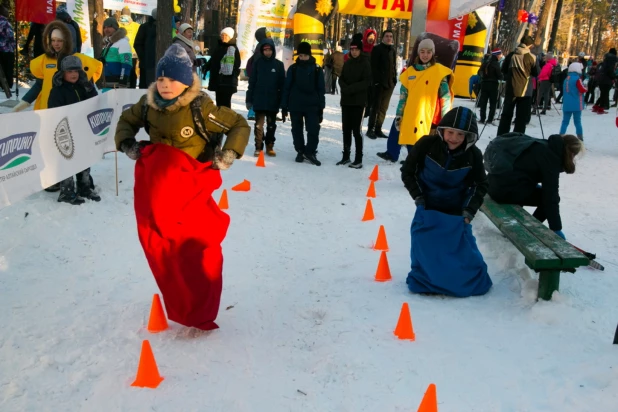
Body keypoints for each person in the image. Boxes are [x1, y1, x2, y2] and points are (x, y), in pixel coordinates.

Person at [114, 44, 250, 331]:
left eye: (172, 80)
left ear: (186, 81)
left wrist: (229, 154)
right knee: (160, 246)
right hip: (160, 191)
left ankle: (199, 305)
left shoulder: (200, 106)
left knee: (198, 248)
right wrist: (127, 143)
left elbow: (239, 125)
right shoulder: (148, 104)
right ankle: (178, 297)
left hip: (191, 189)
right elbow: (127, 120)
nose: (165, 85)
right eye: (161, 79)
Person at [401, 107, 492, 297]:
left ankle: (464, 282)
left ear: (469, 136)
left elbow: (480, 185)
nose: (454, 138)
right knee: (425, 251)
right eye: (450, 132)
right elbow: (408, 172)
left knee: (462, 256)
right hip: (428, 208)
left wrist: (468, 212)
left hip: (456, 213)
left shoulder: (473, 155)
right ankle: (425, 282)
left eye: (461, 134)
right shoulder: (426, 144)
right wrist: (419, 197)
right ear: (442, 130)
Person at [484, 133, 584, 240]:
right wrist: (556, 228)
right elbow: (551, 196)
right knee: (548, 199)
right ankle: (528, 229)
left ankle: (523, 226)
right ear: (571, 153)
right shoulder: (551, 157)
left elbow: (522, 167)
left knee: (529, 190)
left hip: (492, 183)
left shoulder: (540, 144)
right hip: (504, 191)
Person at [377, 38, 453, 163]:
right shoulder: (410, 72)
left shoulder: (439, 71)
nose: (425, 55)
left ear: (432, 53)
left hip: (427, 114)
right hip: (410, 113)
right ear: (418, 53)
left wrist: (446, 118)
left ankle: (415, 161)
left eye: (428, 52)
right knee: (404, 134)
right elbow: (403, 96)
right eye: (422, 52)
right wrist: (399, 114)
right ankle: (399, 156)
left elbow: (445, 96)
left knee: (421, 140)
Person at [12, 21, 102, 112]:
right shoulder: (43, 60)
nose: (56, 44)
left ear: (66, 41)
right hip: (47, 107)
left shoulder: (76, 59)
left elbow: (87, 80)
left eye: (59, 40)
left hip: (72, 108)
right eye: (53, 40)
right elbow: (39, 84)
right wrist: (25, 102)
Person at [48, 55, 100, 204]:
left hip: (82, 130)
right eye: (70, 71)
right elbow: (53, 112)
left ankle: (85, 187)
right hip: (65, 133)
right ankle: (67, 192)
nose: (73, 74)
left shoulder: (83, 87)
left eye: (76, 70)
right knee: (68, 161)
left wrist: (90, 89)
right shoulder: (57, 91)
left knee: (84, 159)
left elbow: (94, 103)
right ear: (62, 73)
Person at [281, 41, 326, 166]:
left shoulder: (317, 69)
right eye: (300, 56)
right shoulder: (293, 69)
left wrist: (321, 107)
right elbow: (287, 88)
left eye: (305, 55)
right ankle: (300, 150)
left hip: (312, 105)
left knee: (313, 129)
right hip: (295, 104)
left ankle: (310, 151)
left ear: (309, 55)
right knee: (296, 130)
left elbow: (321, 90)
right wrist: (284, 106)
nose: (303, 58)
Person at [246, 39, 285, 157]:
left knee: (271, 125)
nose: (267, 52)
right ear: (262, 51)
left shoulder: (279, 65)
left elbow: (282, 85)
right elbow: (252, 82)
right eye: (265, 50)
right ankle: (258, 147)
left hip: (273, 100)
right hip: (259, 99)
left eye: (269, 50)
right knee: (259, 125)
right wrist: (249, 99)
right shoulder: (257, 63)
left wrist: (282, 102)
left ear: (273, 50)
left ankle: (270, 145)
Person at [337, 38, 371, 168]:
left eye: (356, 49)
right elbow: (342, 78)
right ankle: (346, 155)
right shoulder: (348, 63)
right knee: (346, 130)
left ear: (360, 50)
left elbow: (366, 82)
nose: (354, 52)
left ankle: (358, 158)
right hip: (346, 101)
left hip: (358, 102)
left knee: (356, 131)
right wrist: (344, 87)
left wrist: (350, 89)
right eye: (352, 49)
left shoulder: (365, 63)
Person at [497, 36, 539, 136]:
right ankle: (518, 138)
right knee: (521, 117)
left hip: (510, 89)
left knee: (506, 115)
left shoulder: (511, 55)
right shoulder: (532, 57)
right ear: (530, 45)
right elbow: (536, 72)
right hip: (525, 91)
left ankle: (502, 136)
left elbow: (503, 70)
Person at [367, 30, 397, 139]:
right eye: (387, 36)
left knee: (383, 108)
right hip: (379, 84)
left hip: (389, 84)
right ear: (383, 38)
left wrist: (394, 79)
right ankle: (371, 129)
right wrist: (375, 81)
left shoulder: (392, 50)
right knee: (375, 107)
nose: (389, 38)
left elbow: (393, 66)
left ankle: (378, 128)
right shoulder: (377, 49)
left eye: (391, 36)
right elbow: (373, 67)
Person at [202, 27, 241, 108]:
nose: (223, 37)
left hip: (227, 81)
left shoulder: (232, 48)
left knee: (225, 104)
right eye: (222, 35)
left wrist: (233, 74)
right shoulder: (219, 46)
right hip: (218, 80)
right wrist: (207, 66)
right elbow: (214, 59)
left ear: (230, 37)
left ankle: (227, 119)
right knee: (219, 103)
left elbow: (236, 64)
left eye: (226, 35)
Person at [100, 18, 132, 89]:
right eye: (105, 27)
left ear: (115, 28)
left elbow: (126, 63)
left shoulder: (123, 42)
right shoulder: (107, 43)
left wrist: (123, 80)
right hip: (107, 81)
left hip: (117, 83)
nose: (106, 29)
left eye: (109, 27)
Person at [560, 63, 587, 141]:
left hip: (567, 104)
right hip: (576, 104)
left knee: (565, 122)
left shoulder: (566, 79)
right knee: (577, 122)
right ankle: (580, 138)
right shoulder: (577, 79)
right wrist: (586, 88)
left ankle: (561, 136)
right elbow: (582, 89)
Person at [478, 48, 503, 124]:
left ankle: (482, 118)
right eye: (500, 54)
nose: (501, 56)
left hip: (484, 84)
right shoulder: (496, 63)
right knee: (493, 103)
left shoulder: (486, 62)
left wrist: (484, 77)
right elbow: (499, 75)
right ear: (497, 55)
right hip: (493, 85)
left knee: (483, 102)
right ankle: (490, 119)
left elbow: (479, 72)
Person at [118, 7, 141, 88]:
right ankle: (131, 88)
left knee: (123, 72)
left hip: (122, 53)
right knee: (131, 73)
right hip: (132, 54)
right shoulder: (137, 26)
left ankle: (124, 87)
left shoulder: (117, 24)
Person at [134, 9, 157, 89]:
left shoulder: (165, 28)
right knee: (146, 88)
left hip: (160, 63)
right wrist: (144, 57)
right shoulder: (145, 27)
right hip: (147, 64)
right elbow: (137, 44)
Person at [592, 48, 617, 114]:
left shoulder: (605, 59)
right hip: (607, 79)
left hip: (601, 78)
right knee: (605, 94)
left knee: (603, 93)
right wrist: (613, 77)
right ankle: (601, 108)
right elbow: (610, 70)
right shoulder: (612, 59)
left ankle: (597, 106)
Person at [0, 5, 15, 89]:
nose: (8, 12)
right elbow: (10, 36)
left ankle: (2, 85)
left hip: (1, 49)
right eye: (6, 10)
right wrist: (13, 46)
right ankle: (8, 86)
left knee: (2, 69)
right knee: (8, 69)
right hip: (7, 49)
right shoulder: (5, 22)